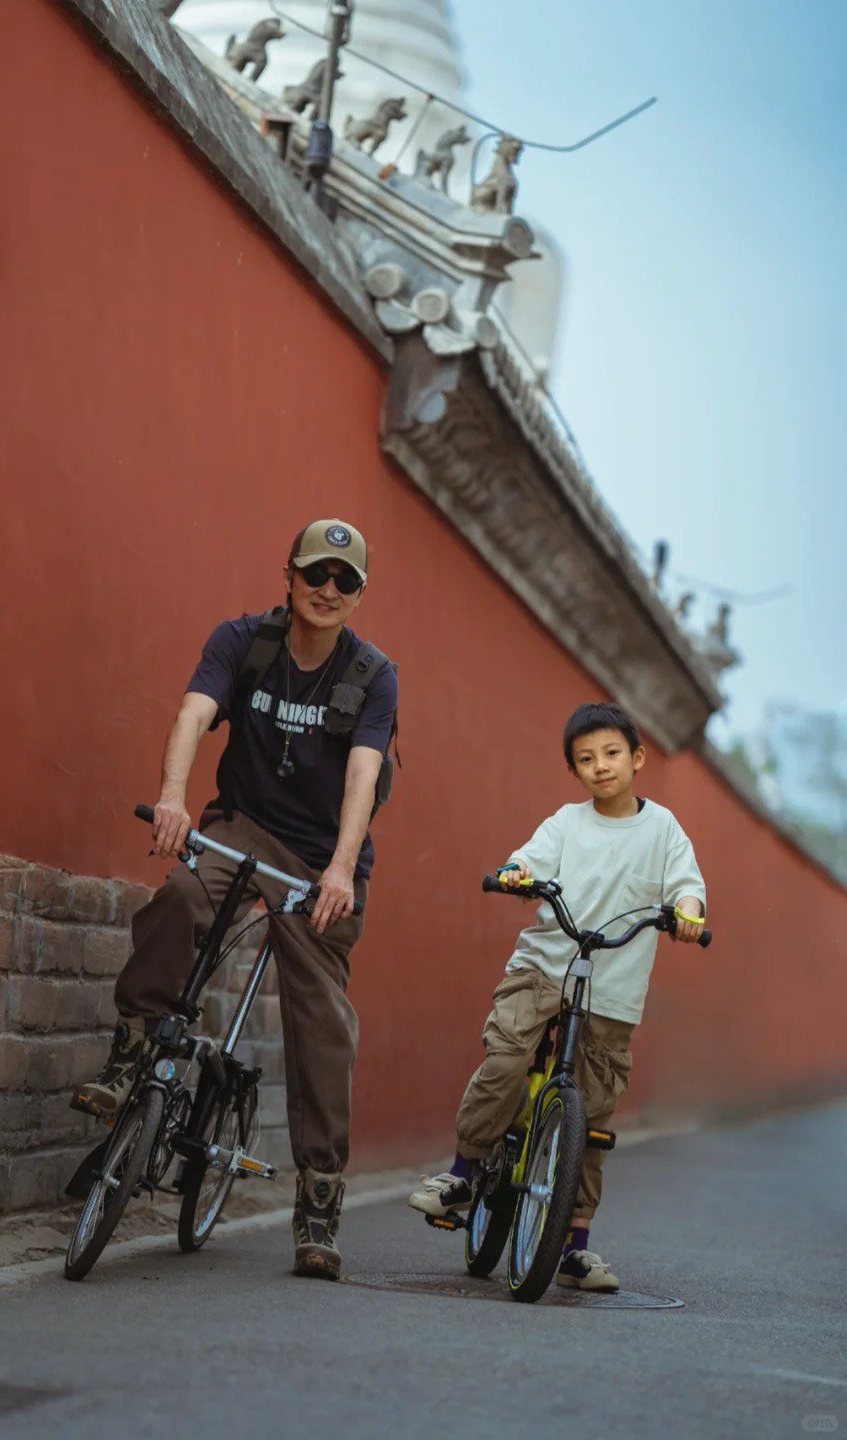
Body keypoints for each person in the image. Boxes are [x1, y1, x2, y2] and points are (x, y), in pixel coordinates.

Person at [73, 519, 398, 1281]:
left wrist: (342, 870)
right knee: (180, 896)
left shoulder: (372, 676)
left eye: (344, 581)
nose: (327, 590)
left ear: (358, 595)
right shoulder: (244, 641)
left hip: (321, 861)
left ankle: (318, 1199)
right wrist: (173, 799)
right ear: (288, 574)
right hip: (240, 827)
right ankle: (134, 1046)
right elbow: (192, 712)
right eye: (316, 573)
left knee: (322, 1022)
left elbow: (363, 773)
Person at [409, 701, 707, 1292]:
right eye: (585, 759)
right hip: (544, 968)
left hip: (613, 992)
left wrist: (688, 914)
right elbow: (530, 858)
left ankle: (575, 1246)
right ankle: (462, 1172)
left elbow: (686, 885)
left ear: (638, 758)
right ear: (573, 771)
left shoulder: (664, 829)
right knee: (505, 1061)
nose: (600, 767)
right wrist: (516, 872)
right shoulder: (567, 823)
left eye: (612, 754)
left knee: (592, 1119)